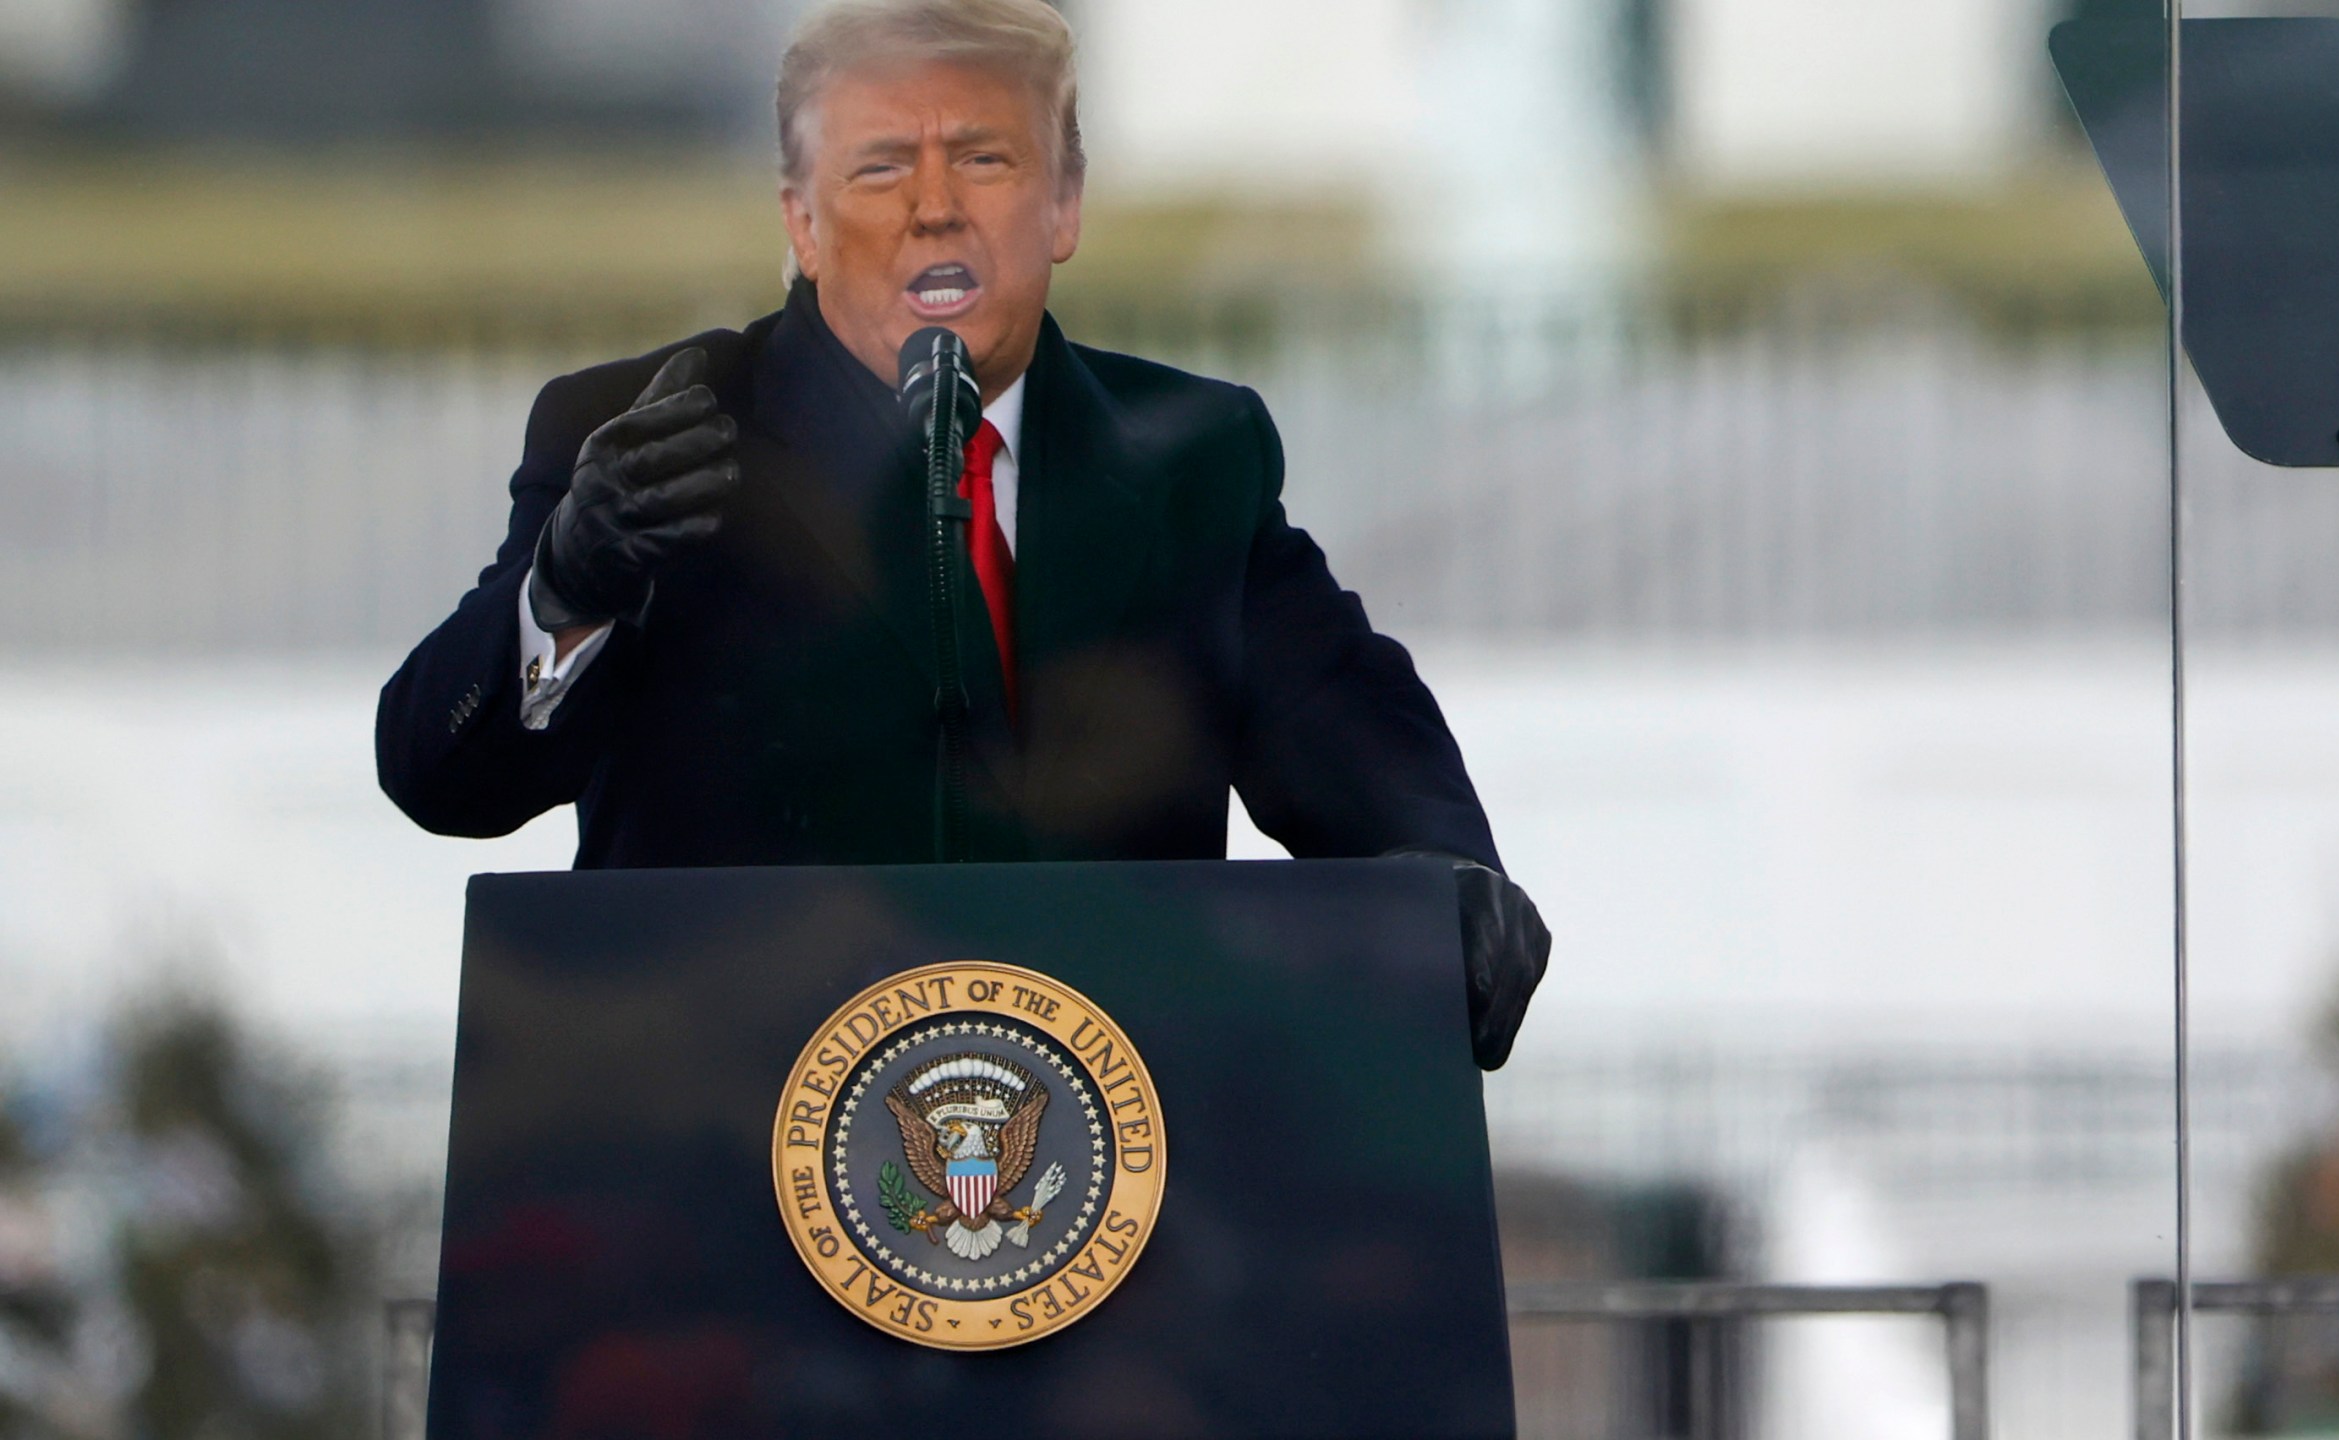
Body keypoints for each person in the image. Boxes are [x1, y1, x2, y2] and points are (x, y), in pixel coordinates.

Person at [374, 0, 1547, 1068]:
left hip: (1107, 1172)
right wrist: (566, 584)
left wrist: (1443, 871)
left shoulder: (1190, 455)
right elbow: (440, 773)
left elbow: (1340, 713)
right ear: (803, 219)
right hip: (716, 1154)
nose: (936, 205)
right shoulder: (639, 433)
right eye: (880, 167)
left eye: (984, 158)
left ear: (1064, 205)